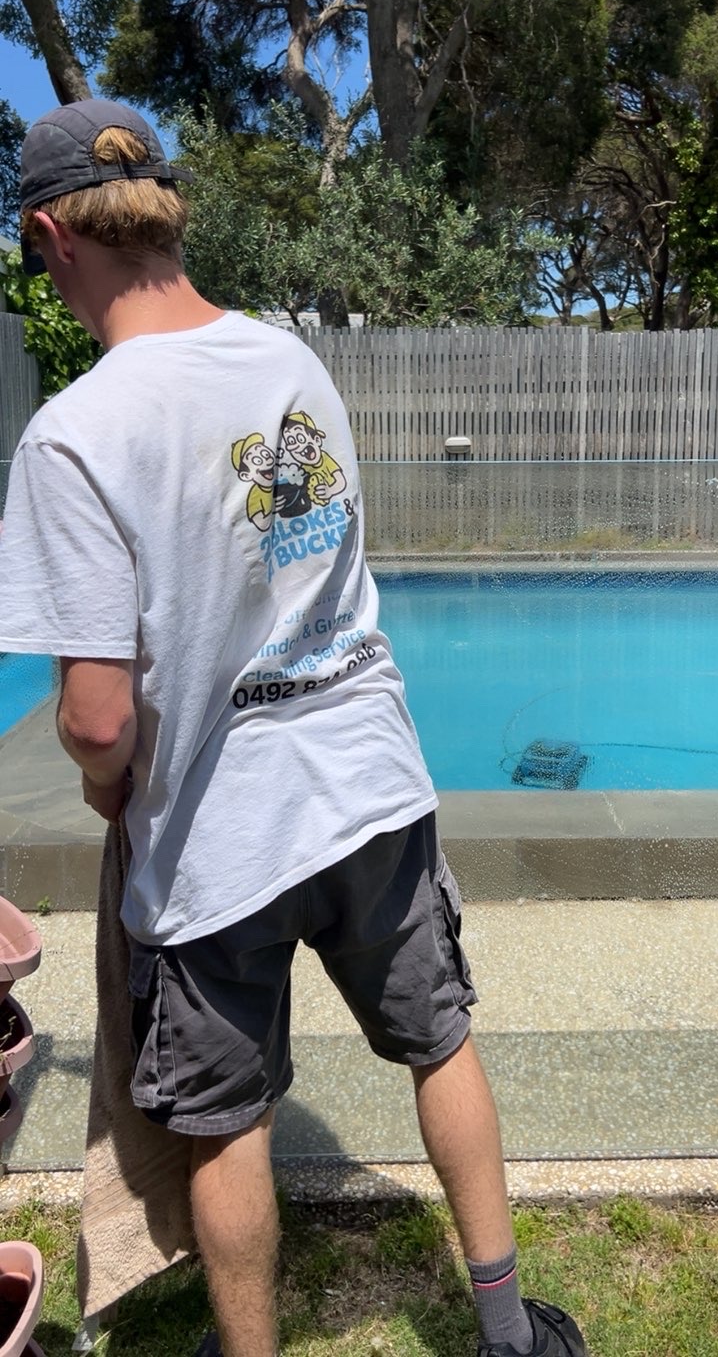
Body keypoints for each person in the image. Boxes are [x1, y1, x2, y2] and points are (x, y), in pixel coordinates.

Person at [0, 99, 587, 1357]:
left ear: (52, 236)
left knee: (228, 1122)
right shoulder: (286, 361)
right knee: (440, 1043)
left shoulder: (73, 436)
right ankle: (506, 1336)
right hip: (371, 780)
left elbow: (98, 718)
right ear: (166, 212)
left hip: (222, 836)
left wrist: (108, 787)